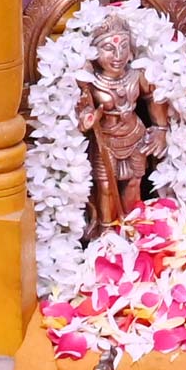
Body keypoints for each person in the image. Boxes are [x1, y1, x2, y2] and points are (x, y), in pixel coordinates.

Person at [78, 13, 170, 232]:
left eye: (123, 47)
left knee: (134, 181)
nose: (118, 55)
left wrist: (160, 129)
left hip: (135, 135)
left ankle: (133, 228)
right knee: (105, 186)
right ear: (95, 52)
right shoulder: (92, 82)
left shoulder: (137, 75)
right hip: (105, 140)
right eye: (109, 48)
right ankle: (107, 231)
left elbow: (153, 97)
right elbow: (82, 112)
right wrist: (87, 120)